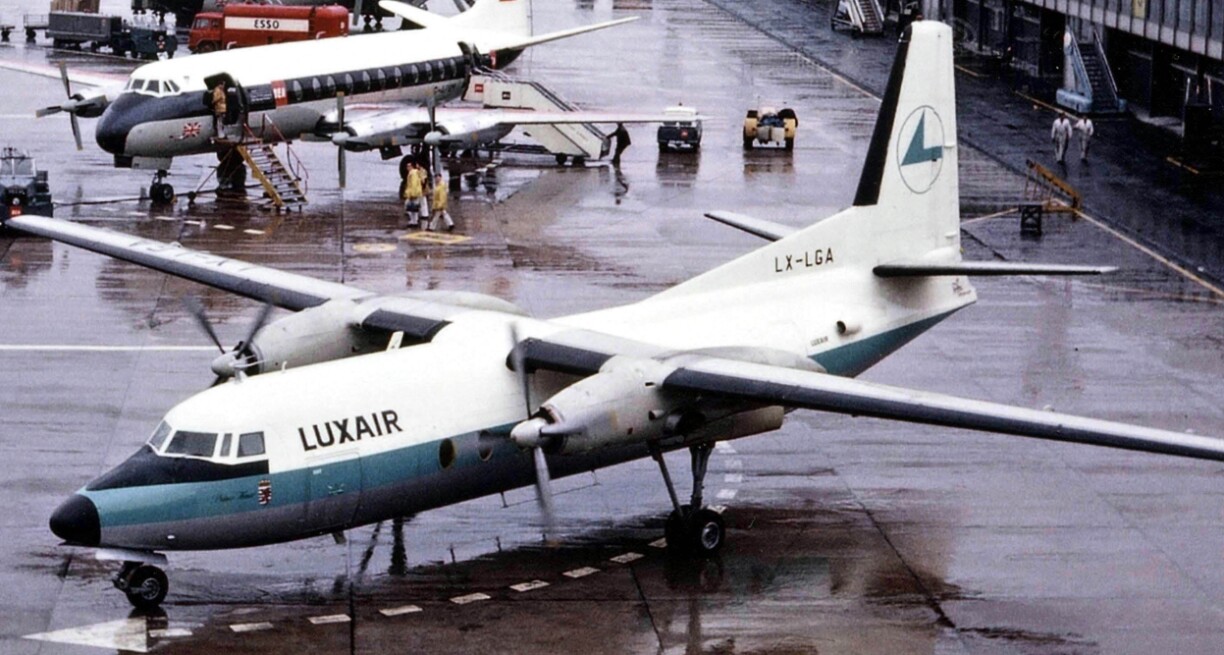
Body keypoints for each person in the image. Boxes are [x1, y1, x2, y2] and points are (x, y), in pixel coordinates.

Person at [402, 162, 425, 227]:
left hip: (413, 193)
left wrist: (412, 194)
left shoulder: (412, 174)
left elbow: (413, 185)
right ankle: (414, 221)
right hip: (416, 192)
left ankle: (413, 221)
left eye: (408, 166)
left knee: (409, 206)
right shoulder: (416, 173)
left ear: (412, 167)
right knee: (414, 208)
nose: (407, 168)